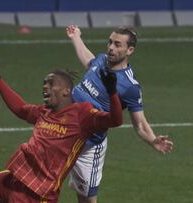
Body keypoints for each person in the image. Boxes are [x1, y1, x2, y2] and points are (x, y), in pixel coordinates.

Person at [0, 50, 123, 202]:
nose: (45, 87)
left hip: (37, 194)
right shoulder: (44, 112)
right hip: (14, 179)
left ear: (66, 91)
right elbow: (21, 109)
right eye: (44, 83)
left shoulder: (82, 114)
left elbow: (115, 120)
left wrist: (112, 92)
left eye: (51, 84)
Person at [65, 25, 174, 203]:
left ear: (130, 50)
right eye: (110, 42)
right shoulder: (101, 60)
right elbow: (88, 60)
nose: (110, 48)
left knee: (85, 198)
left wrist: (153, 140)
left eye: (117, 44)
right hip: (63, 131)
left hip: (88, 147)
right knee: (39, 179)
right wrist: (76, 37)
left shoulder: (130, 86)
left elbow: (139, 123)